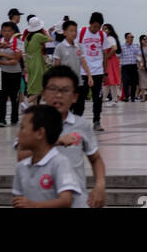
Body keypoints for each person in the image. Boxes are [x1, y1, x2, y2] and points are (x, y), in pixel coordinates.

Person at [40, 65, 107, 207]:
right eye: (53, 89)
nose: (58, 95)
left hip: (76, 201)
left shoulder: (81, 125)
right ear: (43, 93)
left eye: (65, 90)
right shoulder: (32, 123)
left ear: (75, 97)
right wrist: (56, 142)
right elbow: (22, 154)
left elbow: (95, 159)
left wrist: (100, 185)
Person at [12, 105, 83, 208]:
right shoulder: (21, 167)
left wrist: (34, 205)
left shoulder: (60, 163)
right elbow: (18, 201)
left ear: (40, 133)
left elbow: (66, 200)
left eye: (23, 128)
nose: (18, 134)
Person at [77, 13, 113, 130]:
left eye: (98, 27)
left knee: (97, 99)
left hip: (98, 71)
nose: (96, 29)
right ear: (90, 23)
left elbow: (105, 54)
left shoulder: (102, 35)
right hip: (83, 72)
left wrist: (105, 72)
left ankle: (96, 121)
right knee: (80, 98)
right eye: (94, 27)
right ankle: (78, 121)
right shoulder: (81, 32)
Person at [0, 21, 24, 128]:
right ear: (1, 31)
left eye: (9, 31)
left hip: (15, 73)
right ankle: (1, 120)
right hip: (2, 73)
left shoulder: (18, 42)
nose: (6, 33)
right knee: (2, 96)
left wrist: (1, 55)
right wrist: (9, 59)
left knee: (15, 96)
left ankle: (14, 118)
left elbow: (17, 59)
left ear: (13, 32)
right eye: (4, 31)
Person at [52, 21, 87, 115]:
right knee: (67, 108)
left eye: (75, 31)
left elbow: (83, 61)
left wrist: (90, 76)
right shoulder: (59, 47)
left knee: (80, 107)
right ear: (64, 32)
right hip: (65, 85)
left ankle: (76, 127)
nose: (74, 33)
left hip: (78, 82)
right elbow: (56, 65)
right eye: (71, 30)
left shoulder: (79, 46)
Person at [22, 17, 49, 107]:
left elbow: (25, 51)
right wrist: (45, 32)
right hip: (38, 64)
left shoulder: (27, 38)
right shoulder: (38, 36)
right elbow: (50, 39)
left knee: (33, 87)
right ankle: (26, 103)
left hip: (30, 64)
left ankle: (34, 106)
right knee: (42, 87)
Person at [102, 23, 123, 106]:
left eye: (106, 28)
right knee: (107, 81)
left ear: (110, 30)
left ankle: (114, 99)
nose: (104, 30)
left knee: (111, 80)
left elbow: (114, 48)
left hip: (111, 60)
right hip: (108, 60)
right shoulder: (105, 38)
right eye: (103, 28)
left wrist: (107, 56)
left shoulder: (110, 38)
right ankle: (104, 99)